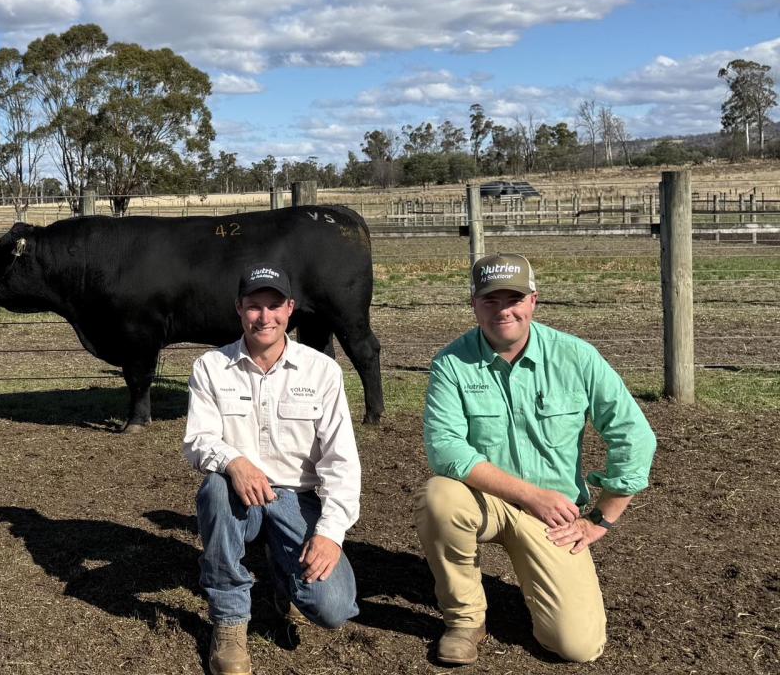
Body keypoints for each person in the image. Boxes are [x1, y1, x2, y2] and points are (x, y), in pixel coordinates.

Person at [415, 253, 657, 665]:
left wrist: (601, 518)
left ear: (533, 301)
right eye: (490, 300)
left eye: (514, 299)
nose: (503, 310)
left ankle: (543, 592)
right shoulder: (452, 364)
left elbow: (634, 435)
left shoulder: (576, 357)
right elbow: (446, 450)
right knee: (439, 497)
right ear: (473, 304)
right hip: (483, 500)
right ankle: (465, 620)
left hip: (553, 516)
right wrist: (528, 494)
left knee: (576, 646)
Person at [183, 263, 362, 675]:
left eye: (274, 306)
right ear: (238, 309)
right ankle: (229, 620)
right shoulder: (210, 367)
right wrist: (234, 462)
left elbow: (341, 461)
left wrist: (331, 534)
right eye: (254, 306)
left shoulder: (322, 371)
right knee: (215, 487)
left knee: (331, 609)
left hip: (298, 499)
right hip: (236, 493)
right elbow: (198, 440)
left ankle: (285, 579)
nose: (264, 317)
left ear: (291, 309)